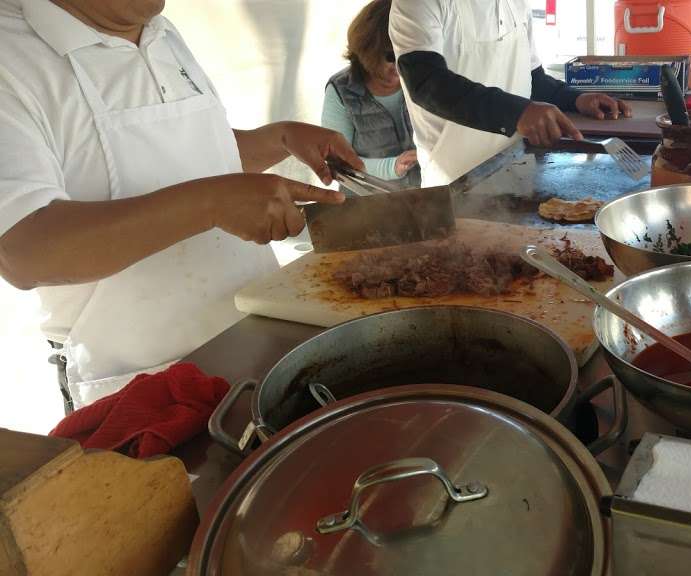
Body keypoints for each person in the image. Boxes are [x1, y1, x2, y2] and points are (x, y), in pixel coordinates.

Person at [0, 0, 362, 407]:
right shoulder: (10, 56)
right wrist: (210, 204)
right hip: (146, 387)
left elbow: (192, 150)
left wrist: (279, 138)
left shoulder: (157, 27)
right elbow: (24, 250)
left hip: (257, 342)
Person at [389, 0, 633, 187]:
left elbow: (532, 78)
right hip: (455, 183)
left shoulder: (515, 3)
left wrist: (577, 99)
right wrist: (518, 112)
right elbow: (426, 82)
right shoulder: (417, 3)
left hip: (517, 168)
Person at [322, 0, 418, 186]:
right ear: (368, 49)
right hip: (367, 203)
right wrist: (392, 167)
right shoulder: (341, 91)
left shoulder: (422, 78)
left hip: (425, 199)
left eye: (408, 53)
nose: (400, 64)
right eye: (391, 56)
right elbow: (337, 164)